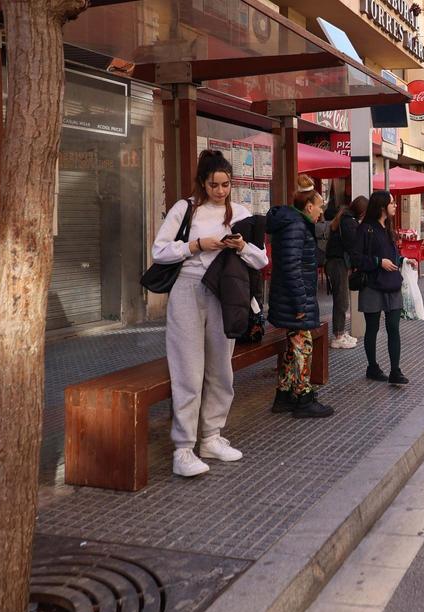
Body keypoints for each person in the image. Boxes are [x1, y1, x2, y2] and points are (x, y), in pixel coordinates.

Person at [151, 150, 267, 478]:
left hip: (224, 293)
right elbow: (159, 251)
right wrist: (196, 245)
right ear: (203, 182)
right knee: (187, 369)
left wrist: (241, 246)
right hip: (187, 290)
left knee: (221, 368)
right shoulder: (184, 209)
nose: (220, 191)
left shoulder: (240, 213)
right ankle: (183, 448)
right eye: (214, 184)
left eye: (226, 184)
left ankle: (212, 437)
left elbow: (262, 260)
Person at [267, 174, 335, 418]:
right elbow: (291, 267)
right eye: (319, 206)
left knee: (293, 347)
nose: (321, 212)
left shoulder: (293, 223)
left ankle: (284, 395)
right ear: (308, 206)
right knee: (303, 346)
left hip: (289, 297)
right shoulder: (296, 226)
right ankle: (303, 399)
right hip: (294, 299)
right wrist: (299, 304)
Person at [357, 190, 415, 385]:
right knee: (372, 328)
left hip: (392, 284)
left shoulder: (388, 227)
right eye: (392, 203)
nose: (395, 205)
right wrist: (378, 262)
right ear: (382, 206)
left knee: (393, 328)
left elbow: (392, 255)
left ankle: (395, 371)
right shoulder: (365, 229)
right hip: (372, 285)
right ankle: (372, 367)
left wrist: (404, 260)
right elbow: (356, 258)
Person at [324, 195, 367, 349]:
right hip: (338, 263)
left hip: (336, 262)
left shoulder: (345, 217)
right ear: (362, 211)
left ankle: (340, 332)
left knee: (341, 299)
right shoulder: (349, 222)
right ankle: (338, 336)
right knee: (341, 300)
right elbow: (353, 245)